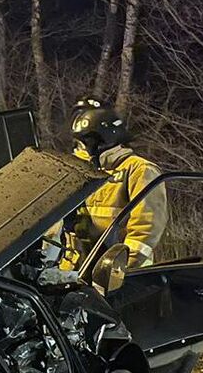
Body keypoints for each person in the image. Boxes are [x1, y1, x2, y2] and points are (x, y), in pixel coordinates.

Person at [65, 98, 167, 269]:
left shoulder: (139, 170)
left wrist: (118, 271)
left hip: (123, 279)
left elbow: (145, 231)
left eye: (86, 141)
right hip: (81, 271)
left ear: (102, 140)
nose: (82, 148)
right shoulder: (81, 172)